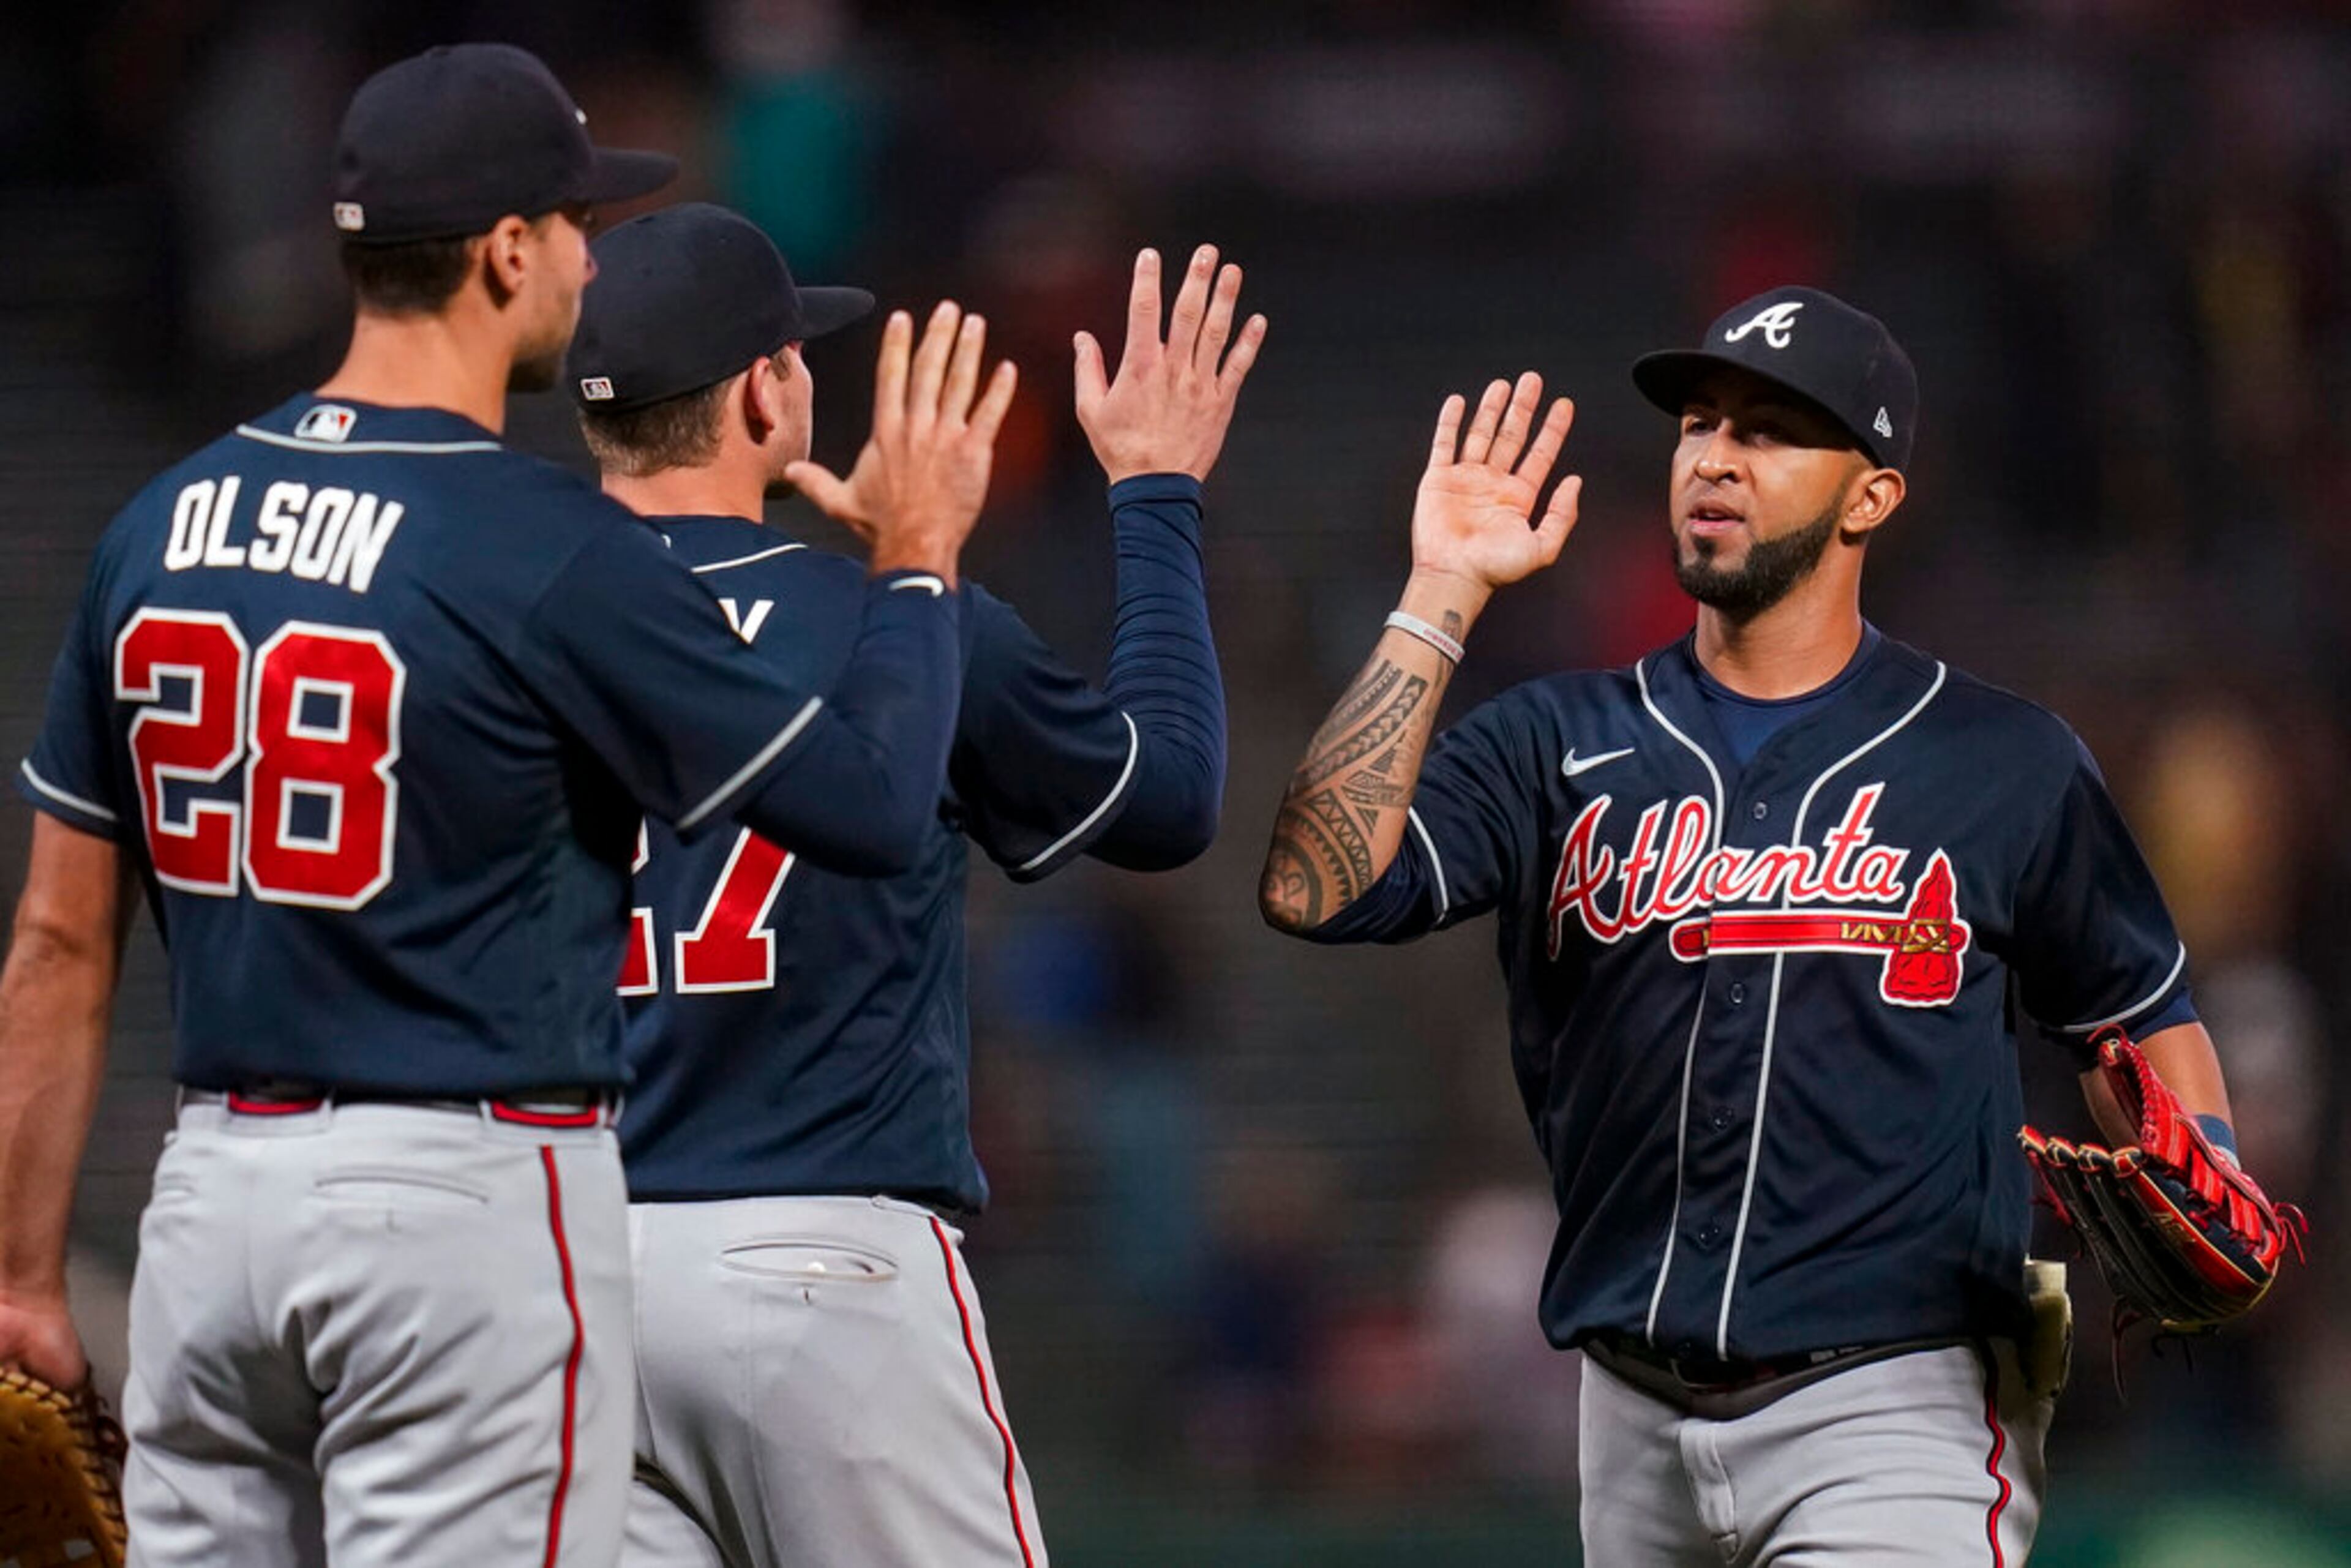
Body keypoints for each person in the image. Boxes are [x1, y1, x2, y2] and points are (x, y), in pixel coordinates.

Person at [0, 44, 1011, 1567]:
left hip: (210, 1205)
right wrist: (920, 559)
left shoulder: (162, 522)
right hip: (454, 1202)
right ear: (505, 252)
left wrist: (20, 1279)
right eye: (577, 226)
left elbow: (61, 947)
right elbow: (869, 808)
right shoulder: (542, 545)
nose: (593, 263)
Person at [1257, 286, 2259, 1562]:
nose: (1718, 457)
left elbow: (2142, 1007)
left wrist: (2210, 1156)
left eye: (1776, 431)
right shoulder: (1555, 743)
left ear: (1872, 497)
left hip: (1904, 1405)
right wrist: (1438, 595)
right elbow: (1313, 888)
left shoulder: (2003, 762)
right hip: (1627, 1421)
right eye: (1701, 423)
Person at [563, 203, 1260, 1567]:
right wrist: (1156, 492)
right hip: (826, 1266)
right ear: (765, 392)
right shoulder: (889, 618)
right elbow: (1169, 800)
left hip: (566, 1275)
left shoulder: (487, 626)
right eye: (797, 353)